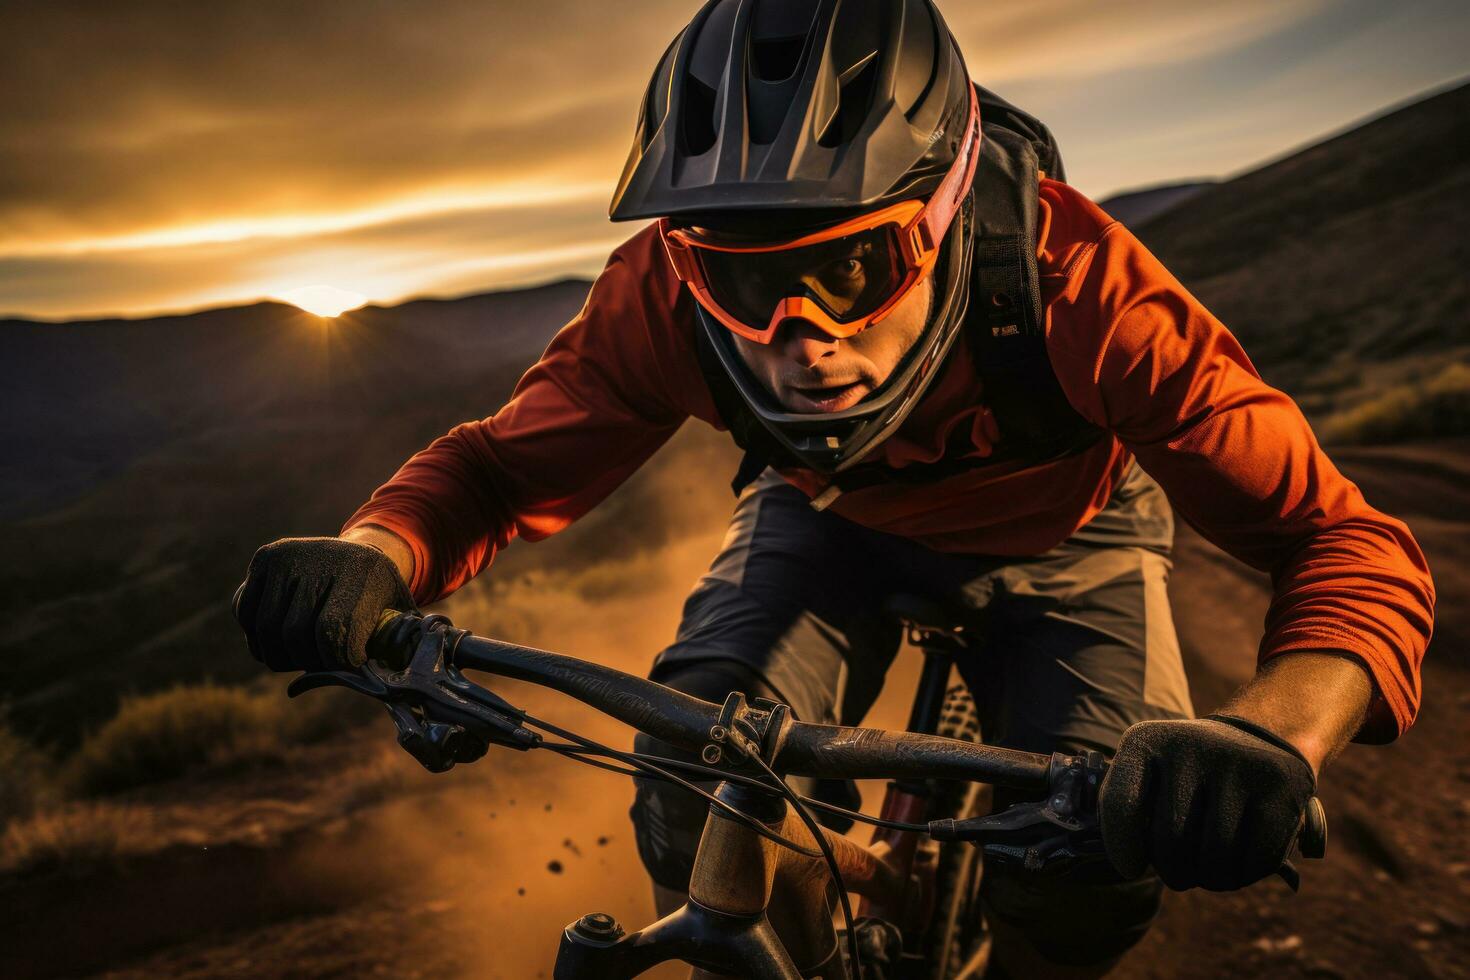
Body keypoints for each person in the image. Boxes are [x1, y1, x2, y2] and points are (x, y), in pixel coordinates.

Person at [232, 0, 1434, 975]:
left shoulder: (1085, 286)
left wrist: (1269, 734)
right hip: (831, 518)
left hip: (1075, 538)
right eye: (742, 282)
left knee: (1089, 865)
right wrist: (376, 549)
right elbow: (499, 467)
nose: (794, 338)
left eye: (855, 265)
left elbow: (1342, 538)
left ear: (951, 211)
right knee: (693, 783)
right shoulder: (659, 293)